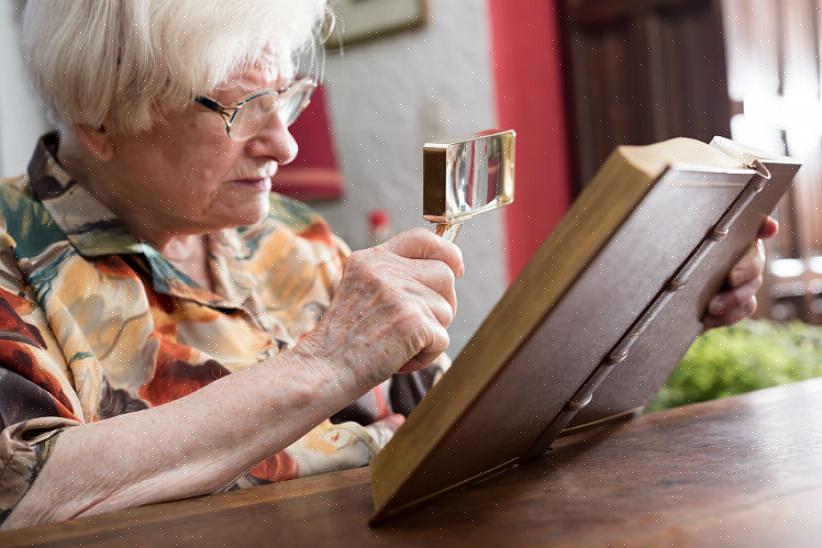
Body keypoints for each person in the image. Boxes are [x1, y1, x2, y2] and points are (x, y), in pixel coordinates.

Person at [0, 0, 771, 530]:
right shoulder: (13, 254)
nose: (286, 145)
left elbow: (452, 438)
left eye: (290, 97)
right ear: (99, 117)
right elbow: (25, 496)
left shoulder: (294, 241)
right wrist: (329, 363)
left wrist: (666, 294)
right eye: (239, 113)